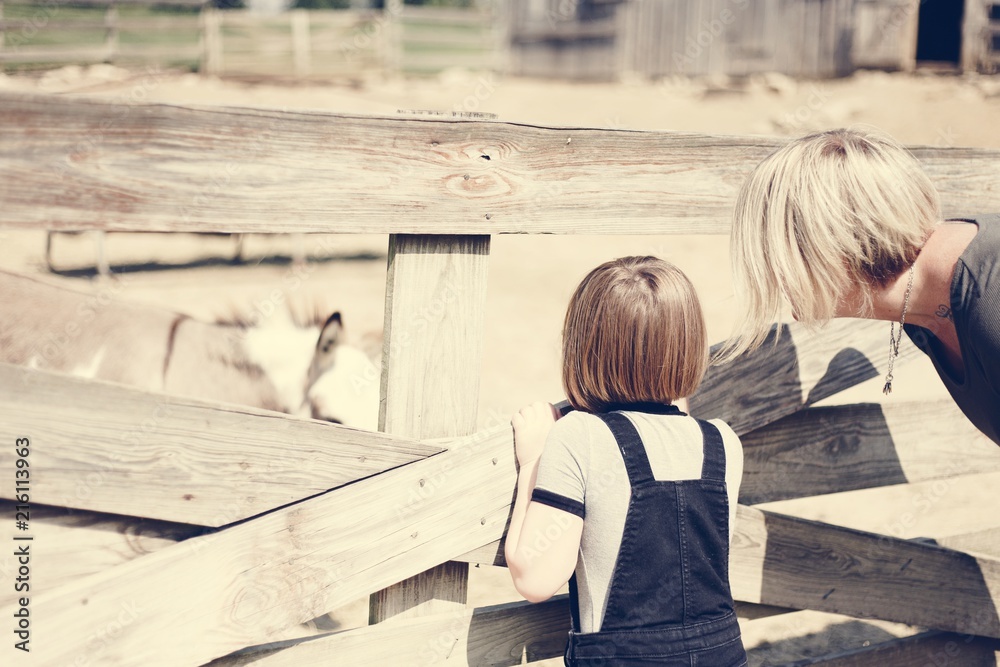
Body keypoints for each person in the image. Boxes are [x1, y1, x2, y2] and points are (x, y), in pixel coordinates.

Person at [505, 256, 747, 666]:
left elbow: (535, 578)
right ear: (688, 344)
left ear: (582, 347)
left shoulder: (580, 436)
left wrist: (534, 459)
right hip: (722, 653)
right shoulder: (722, 442)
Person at [722, 127, 999, 445]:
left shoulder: (987, 295)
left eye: (777, 250)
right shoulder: (923, 302)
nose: (772, 272)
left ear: (832, 245)